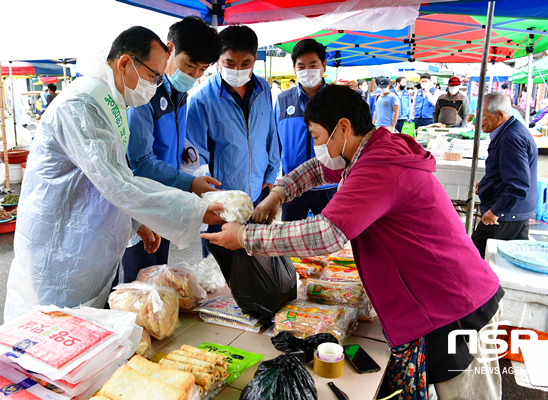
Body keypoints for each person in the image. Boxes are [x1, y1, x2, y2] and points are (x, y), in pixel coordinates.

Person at [203, 84, 504, 400]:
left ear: (343, 128)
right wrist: (279, 193)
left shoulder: (379, 167)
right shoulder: (371, 150)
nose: (317, 146)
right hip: (442, 298)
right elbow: (320, 169)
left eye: (318, 138)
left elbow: (325, 234)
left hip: (454, 305)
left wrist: (245, 236)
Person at [4, 26, 225, 322]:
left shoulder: (110, 102)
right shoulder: (82, 105)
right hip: (61, 247)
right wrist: (195, 209)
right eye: (154, 76)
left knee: (85, 332)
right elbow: (116, 182)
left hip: (85, 243)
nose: (156, 84)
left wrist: (134, 222)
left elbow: (106, 178)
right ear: (125, 64)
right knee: (53, 331)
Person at [123, 17, 222, 283]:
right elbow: (140, 161)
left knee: (159, 281)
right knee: (137, 287)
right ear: (169, 50)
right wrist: (190, 183)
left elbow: (167, 145)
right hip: (140, 207)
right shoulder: (145, 94)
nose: (194, 76)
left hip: (165, 203)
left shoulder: (181, 96)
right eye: (189, 65)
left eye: (202, 70)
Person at [186, 25, 280, 257]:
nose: (237, 69)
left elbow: (271, 134)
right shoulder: (201, 99)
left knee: (257, 263)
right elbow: (195, 156)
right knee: (220, 272)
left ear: (255, 60)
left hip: (258, 195)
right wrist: (210, 198)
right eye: (229, 63)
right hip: (223, 203)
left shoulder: (263, 90)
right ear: (218, 60)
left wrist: (270, 175)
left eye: (245, 63)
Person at [275, 38, 336, 222]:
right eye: (301, 66)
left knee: (327, 241)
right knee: (290, 242)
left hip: (328, 184)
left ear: (324, 66)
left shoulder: (337, 100)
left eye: (313, 65)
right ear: (294, 69)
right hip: (292, 185)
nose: (307, 71)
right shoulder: (282, 101)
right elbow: (274, 144)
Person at [472, 91, 538, 259]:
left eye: (483, 117)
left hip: (506, 213)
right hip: (514, 210)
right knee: (505, 260)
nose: (478, 122)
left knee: (474, 256)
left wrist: (496, 211)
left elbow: (519, 185)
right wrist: (488, 182)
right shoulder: (510, 131)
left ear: (500, 115)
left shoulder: (511, 138)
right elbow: (508, 170)